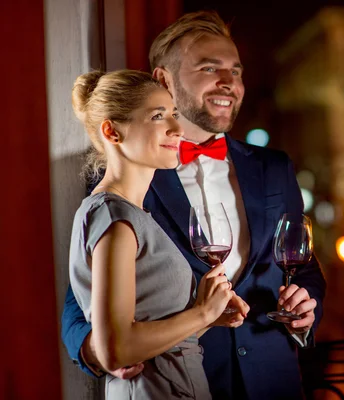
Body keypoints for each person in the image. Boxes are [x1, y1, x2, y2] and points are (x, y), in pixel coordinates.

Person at [62, 11, 327, 400]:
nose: (229, 82)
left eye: (235, 71)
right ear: (163, 80)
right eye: (209, 68)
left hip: (273, 382)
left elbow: (304, 269)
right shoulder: (126, 175)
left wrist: (307, 309)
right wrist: (97, 351)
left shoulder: (275, 168)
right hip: (174, 380)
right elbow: (80, 293)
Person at [68, 69, 250, 399]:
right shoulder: (114, 216)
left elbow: (155, 338)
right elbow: (115, 349)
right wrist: (201, 313)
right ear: (112, 131)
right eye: (158, 116)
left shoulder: (134, 215)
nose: (178, 129)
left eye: (175, 115)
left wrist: (209, 317)